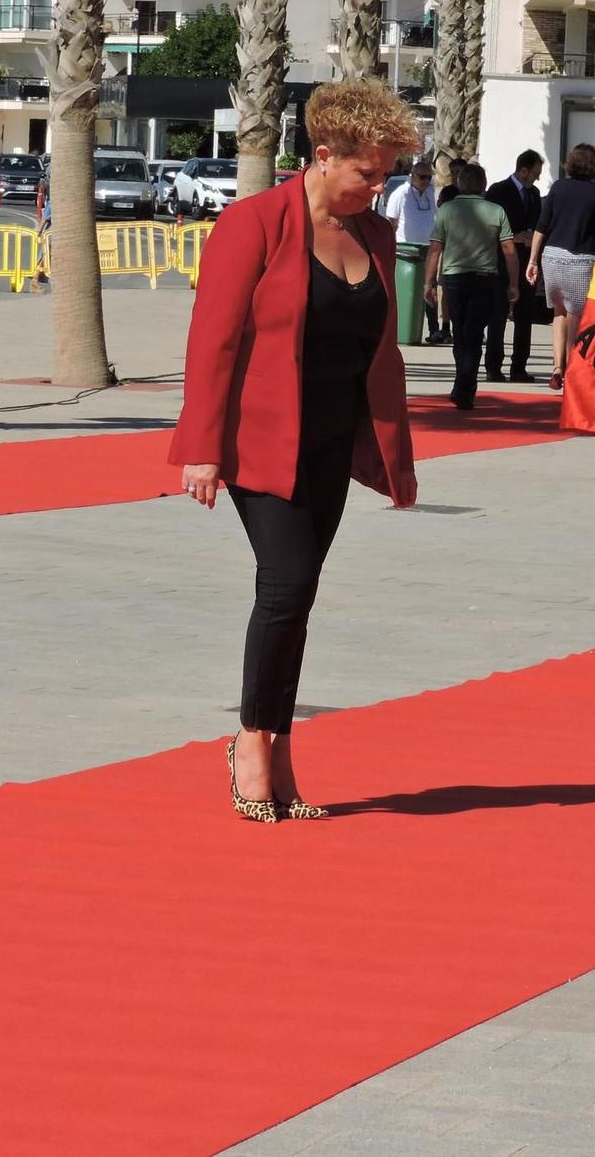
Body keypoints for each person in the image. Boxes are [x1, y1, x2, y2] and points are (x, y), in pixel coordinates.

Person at [169, 78, 420, 824]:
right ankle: (251, 739)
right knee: (286, 582)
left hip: (333, 439)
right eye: (366, 173)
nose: (378, 188)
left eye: (385, 174)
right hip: (259, 440)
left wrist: (393, 450)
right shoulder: (255, 224)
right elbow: (213, 341)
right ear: (322, 155)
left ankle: (278, 745)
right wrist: (201, 448)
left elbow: (381, 351)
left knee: (299, 594)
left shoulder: (371, 233)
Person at [423, 162, 518, 410]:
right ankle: (465, 385)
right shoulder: (496, 211)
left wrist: (429, 282)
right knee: (473, 334)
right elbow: (509, 251)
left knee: (460, 333)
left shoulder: (446, 210)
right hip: (484, 278)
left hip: (454, 278)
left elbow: (435, 248)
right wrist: (514, 283)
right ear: (483, 184)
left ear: (460, 183)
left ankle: (462, 384)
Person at [528, 142, 595, 393]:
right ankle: (572, 371)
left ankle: (556, 368)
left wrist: (532, 261)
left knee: (558, 313)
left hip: (552, 256)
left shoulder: (558, 187)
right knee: (576, 318)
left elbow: (541, 227)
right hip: (581, 260)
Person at [483, 149, 544, 382]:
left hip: (527, 260)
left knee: (524, 315)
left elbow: (539, 222)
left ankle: (519, 367)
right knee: (497, 315)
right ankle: (493, 367)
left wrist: (533, 238)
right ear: (523, 170)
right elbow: (487, 224)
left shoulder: (534, 194)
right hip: (502, 261)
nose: (537, 178)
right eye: (535, 173)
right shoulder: (498, 191)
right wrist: (511, 236)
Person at [382, 157, 443, 342]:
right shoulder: (400, 194)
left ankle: (434, 330)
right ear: (413, 176)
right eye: (422, 177)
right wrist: (390, 248)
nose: (425, 181)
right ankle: (399, 329)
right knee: (406, 292)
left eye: (428, 178)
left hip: (427, 249)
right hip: (405, 251)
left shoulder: (431, 194)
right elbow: (391, 223)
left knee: (430, 287)